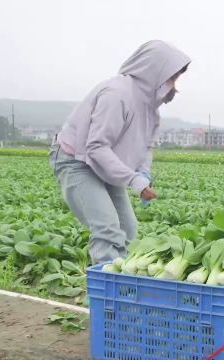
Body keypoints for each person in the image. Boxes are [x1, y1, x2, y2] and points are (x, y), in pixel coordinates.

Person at [49, 40, 191, 264]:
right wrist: (133, 180)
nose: (174, 85)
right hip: (77, 161)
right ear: (154, 71)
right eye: (172, 77)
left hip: (106, 166)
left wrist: (143, 173)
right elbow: (95, 147)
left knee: (128, 230)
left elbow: (146, 147)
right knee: (108, 231)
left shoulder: (151, 111)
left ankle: (121, 287)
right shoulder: (117, 94)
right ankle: (107, 296)